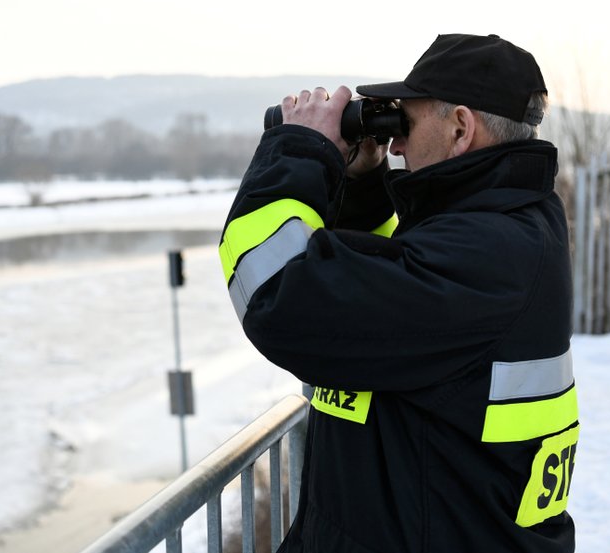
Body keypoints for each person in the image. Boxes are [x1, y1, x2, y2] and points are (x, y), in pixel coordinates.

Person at [218, 33, 579, 553]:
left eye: (405, 123)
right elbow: (391, 288)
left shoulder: (488, 251)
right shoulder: (508, 221)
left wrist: (298, 150)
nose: (399, 144)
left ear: (460, 127)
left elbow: (280, 297)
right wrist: (363, 187)